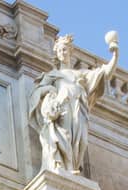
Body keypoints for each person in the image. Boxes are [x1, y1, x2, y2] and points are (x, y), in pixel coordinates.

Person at [28, 31, 119, 177]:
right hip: (63, 109)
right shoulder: (52, 75)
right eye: (59, 50)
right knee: (64, 136)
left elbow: (105, 74)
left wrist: (115, 55)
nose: (62, 53)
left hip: (78, 109)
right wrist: (50, 89)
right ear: (56, 53)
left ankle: (74, 165)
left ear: (70, 51)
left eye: (65, 49)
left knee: (81, 141)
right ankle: (67, 167)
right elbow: (37, 92)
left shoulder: (80, 74)